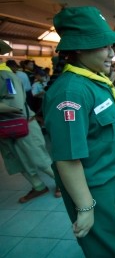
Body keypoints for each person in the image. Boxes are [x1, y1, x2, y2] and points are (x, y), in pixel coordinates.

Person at [42, 6, 115, 258]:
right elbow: (67, 158)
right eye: (103, 46)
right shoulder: (71, 93)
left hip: (110, 178)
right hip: (93, 188)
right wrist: (86, 206)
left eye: (112, 47)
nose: (112, 54)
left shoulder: (94, 81)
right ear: (79, 48)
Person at [0, 40, 61, 203]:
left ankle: (62, 183)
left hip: (22, 125)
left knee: (39, 158)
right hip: (5, 128)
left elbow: (15, 103)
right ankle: (38, 186)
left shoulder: (6, 77)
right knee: (17, 160)